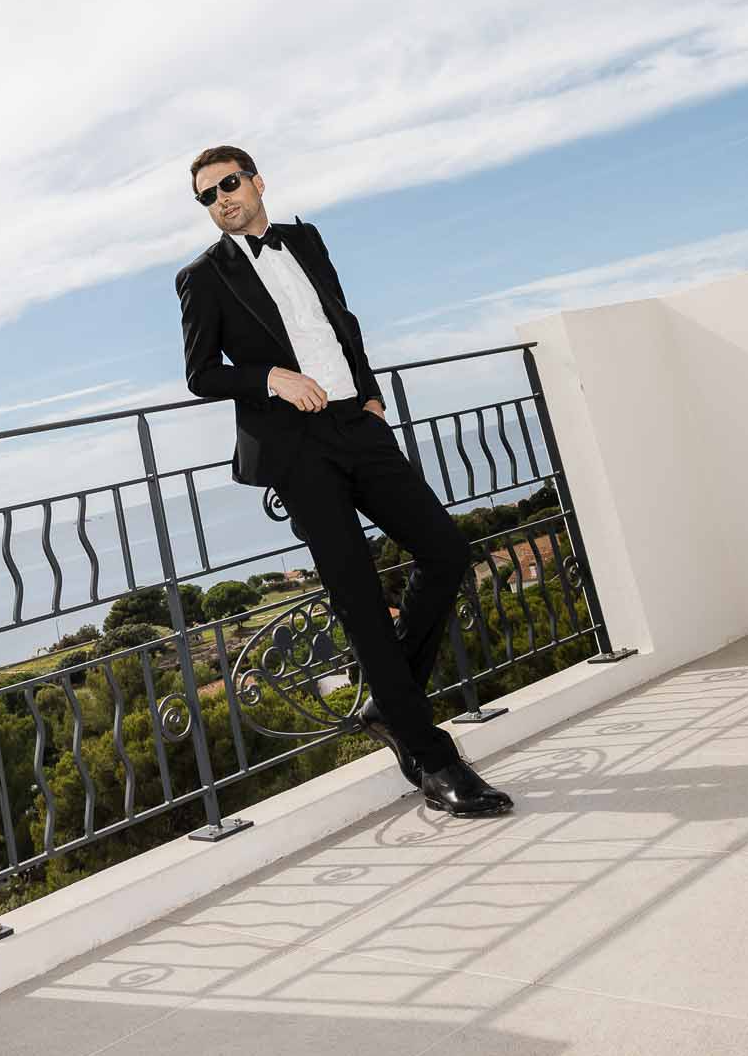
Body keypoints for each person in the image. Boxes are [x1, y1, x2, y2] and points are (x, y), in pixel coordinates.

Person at [174, 144, 513, 820]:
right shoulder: (202, 277)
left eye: (229, 185)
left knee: (444, 551)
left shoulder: (305, 239)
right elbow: (201, 373)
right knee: (357, 595)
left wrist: (370, 392)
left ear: (257, 180)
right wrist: (268, 378)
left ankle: (391, 705)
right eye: (207, 196)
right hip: (294, 449)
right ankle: (434, 758)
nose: (221, 201)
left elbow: (340, 320)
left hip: (357, 426)